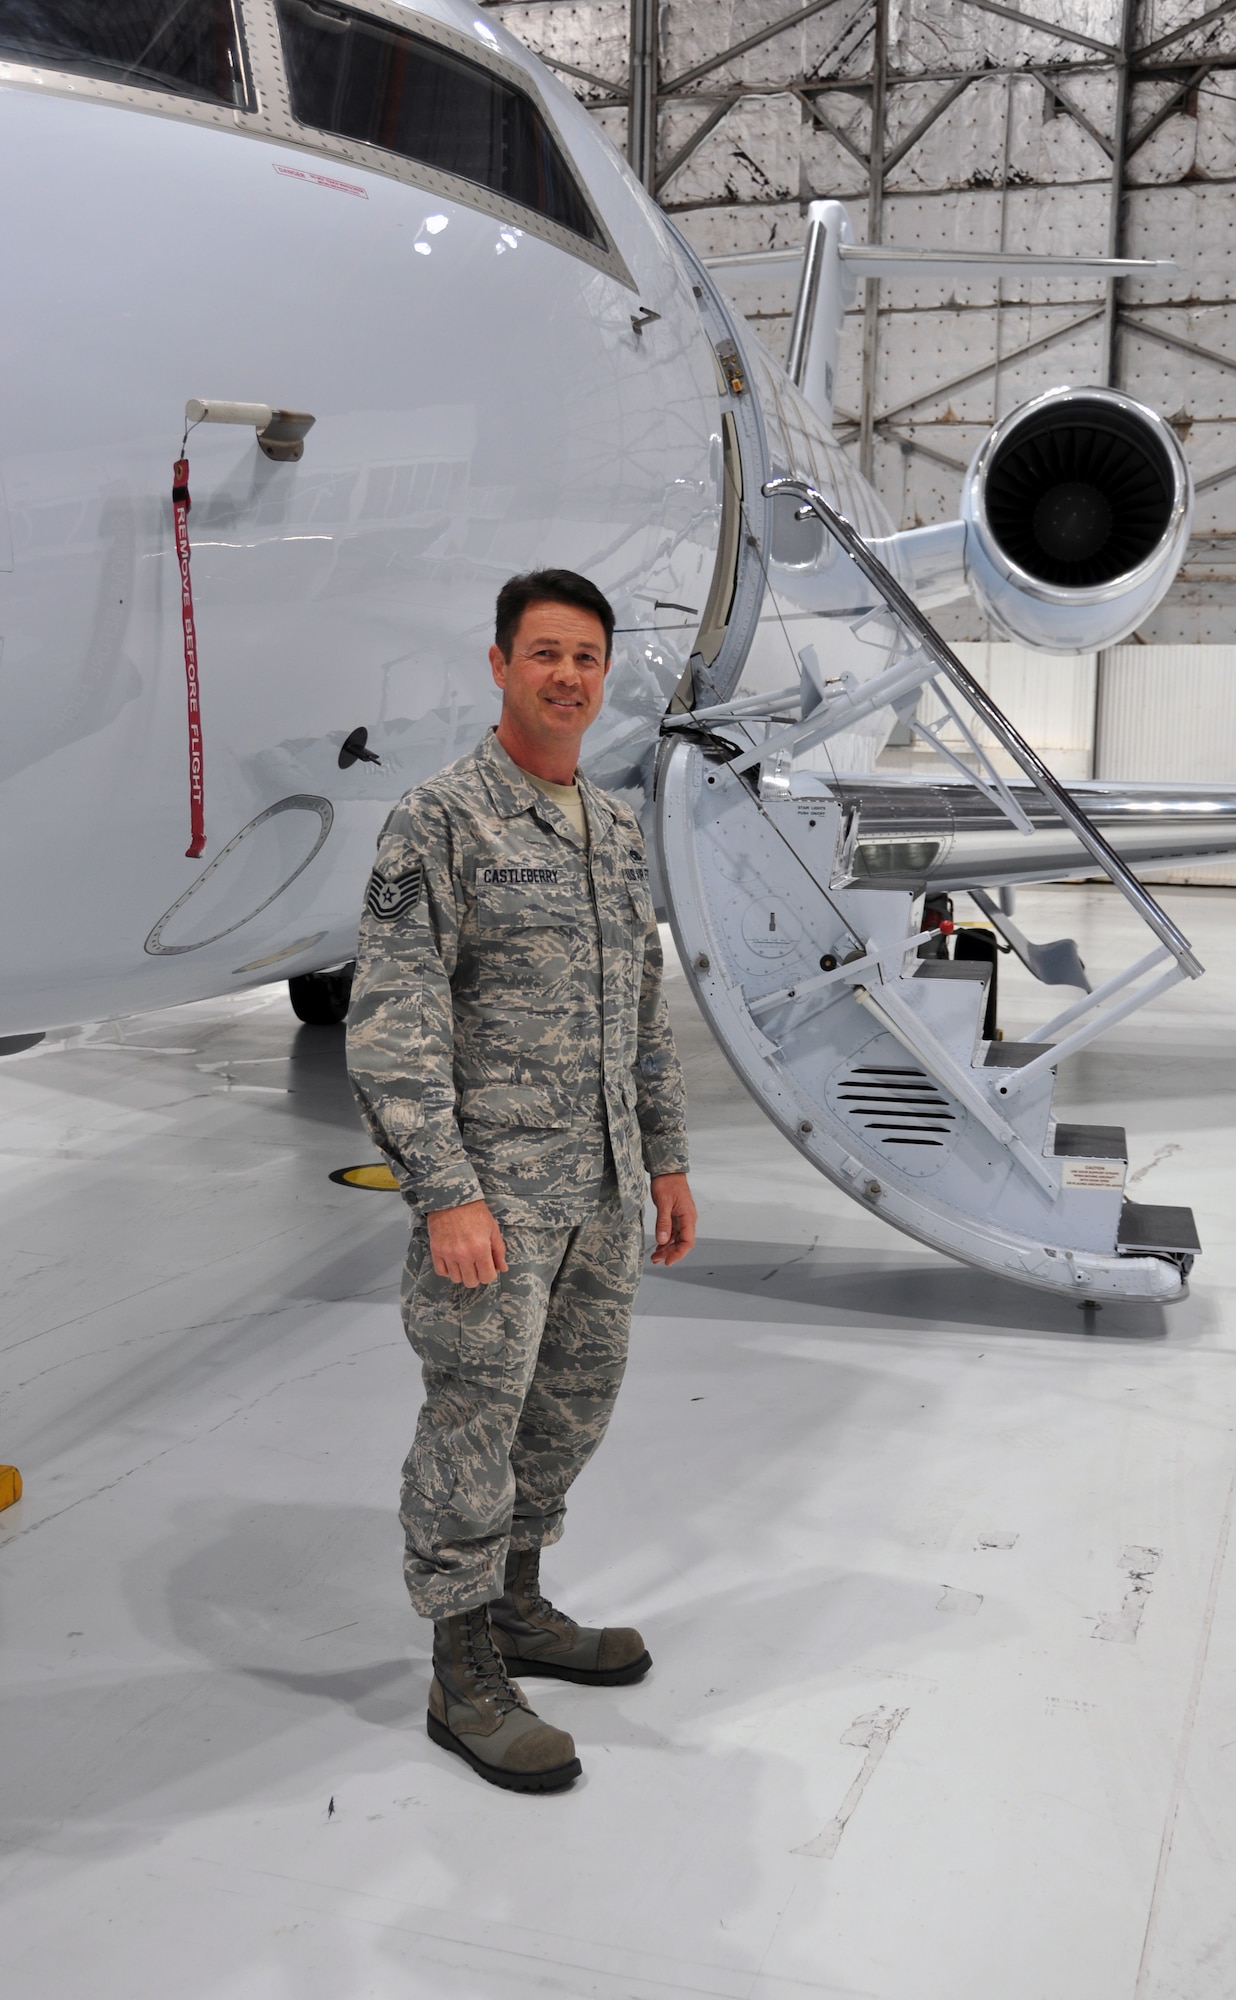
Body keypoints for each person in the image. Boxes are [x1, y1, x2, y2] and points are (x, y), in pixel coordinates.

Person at [346, 569, 697, 1794]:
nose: (566, 676)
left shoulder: (610, 828)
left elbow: (643, 1013)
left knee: (568, 1410)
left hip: (597, 1193)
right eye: (543, 652)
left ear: (605, 675)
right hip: (492, 1202)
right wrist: (443, 1189)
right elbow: (393, 1021)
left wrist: (664, 1155)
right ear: (497, 663)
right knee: (472, 1424)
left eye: (586, 657)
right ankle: (458, 1670)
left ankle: (515, 1605)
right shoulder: (440, 818)